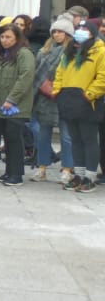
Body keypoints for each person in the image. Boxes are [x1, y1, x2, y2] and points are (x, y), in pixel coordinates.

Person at [54, 20, 105, 193]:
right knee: (75, 139)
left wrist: (89, 94)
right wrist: (57, 91)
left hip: (88, 102)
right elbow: (59, 72)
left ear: (92, 33)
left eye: (85, 29)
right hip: (68, 99)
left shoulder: (100, 51)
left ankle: (89, 177)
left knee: (89, 139)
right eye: (79, 29)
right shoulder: (69, 51)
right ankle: (79, 174)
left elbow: (102, 77)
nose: (81, 31)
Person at [0, 22, 35, 185]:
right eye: (2, 37)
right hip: (0, 105)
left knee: (15, 139)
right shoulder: (2, 54)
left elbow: (26, 77)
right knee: (7, 139)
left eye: (8, 37)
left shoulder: (24, 53)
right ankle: (9, 172)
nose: (5, 40)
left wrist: (11, 99)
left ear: (17, 38)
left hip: (15, 106)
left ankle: (17, 175)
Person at [31, 18, 68, 182]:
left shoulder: (71, 51)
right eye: (54, 31)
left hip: (63, 96)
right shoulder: (43, 51)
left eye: (60, 31)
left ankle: (67, 169)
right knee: (43, 134)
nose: (57, 34)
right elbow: (37, 72)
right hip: (43, 96)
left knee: (66, 136)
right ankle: (42, 167)